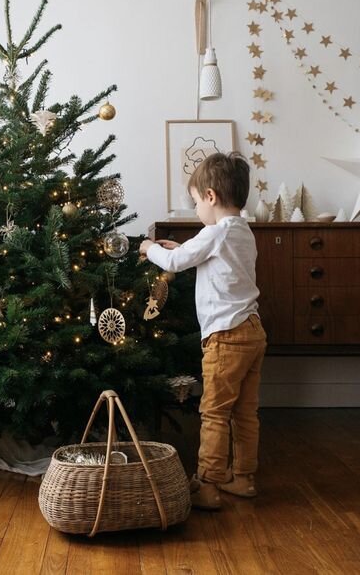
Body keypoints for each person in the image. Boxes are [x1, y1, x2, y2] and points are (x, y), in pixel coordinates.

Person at [139, 151, 267, 510]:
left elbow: (176, 263)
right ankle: (243, 478)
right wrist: (183, 248)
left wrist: (150, 249)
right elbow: (210, 260)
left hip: (225, 337)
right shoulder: (242, 232)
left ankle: (208, 484)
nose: (196, 210)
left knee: (214, 412)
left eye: (195, 202)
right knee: (245, 412)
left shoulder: (215, 231)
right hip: (253, 332)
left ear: (210, 196)